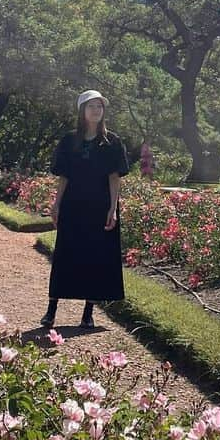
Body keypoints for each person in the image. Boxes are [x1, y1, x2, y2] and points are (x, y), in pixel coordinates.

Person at [43, 90, 130, 330]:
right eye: (91, 106)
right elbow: (64, 176)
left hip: (99, 206)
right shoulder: (69, 140)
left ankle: (88, 313)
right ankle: (51, 310)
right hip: (73, 205)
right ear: (82, 110)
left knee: (95, 256)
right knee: (65, 255)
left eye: (99, 107)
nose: (96, 110)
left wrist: (113, 208)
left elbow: (115, 178)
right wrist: (57, 204)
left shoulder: (112, 142)